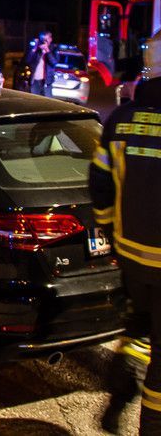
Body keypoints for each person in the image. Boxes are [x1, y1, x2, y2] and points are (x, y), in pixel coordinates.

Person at [91, 31, 161, 434]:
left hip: (132, 256)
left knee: (137, 329)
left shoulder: (121, 119)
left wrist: (110, 231)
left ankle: (118, 398)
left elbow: (100, 184)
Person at [25, 30, 58, 96]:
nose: (44, 41)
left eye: (46, 39)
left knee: (46, 101)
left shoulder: (53, 49)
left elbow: (54, 62)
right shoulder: (36, 49)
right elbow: (28, 60)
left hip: (46, 82)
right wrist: (35, 48)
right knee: (34, 100)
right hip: (35, 81)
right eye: (42, 39)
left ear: (50, 39)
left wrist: (47, 50)